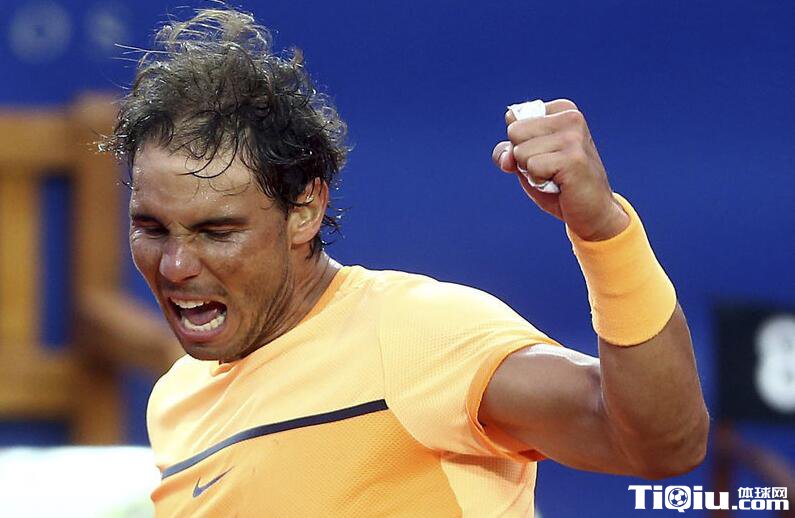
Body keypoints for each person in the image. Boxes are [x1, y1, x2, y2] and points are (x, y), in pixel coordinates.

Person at [101, 6, 709, 517]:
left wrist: (603, 230)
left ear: (305, 210)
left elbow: (662, 444)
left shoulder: (415, 335)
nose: (175, 265)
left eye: (217, 231)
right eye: (151, 228)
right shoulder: (175, 400)